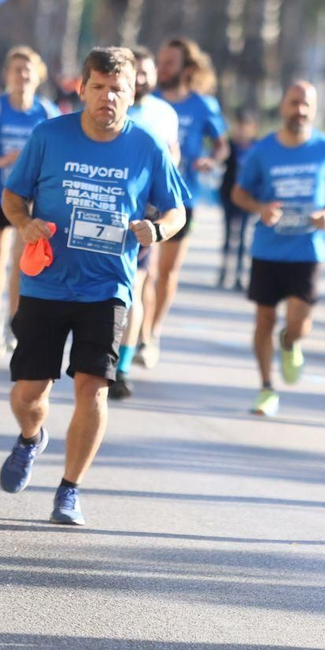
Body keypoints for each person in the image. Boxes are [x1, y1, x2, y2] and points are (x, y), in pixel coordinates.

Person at [0, 47, 186, 526]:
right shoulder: (49, 136)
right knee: (28, 395)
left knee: (93, 388)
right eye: (98, 87)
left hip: (107, 287)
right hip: (45, 282)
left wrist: (157, 229)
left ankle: (69, 489)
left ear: (132, 94)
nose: (107, 97)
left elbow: (176, 209)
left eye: (117, 89)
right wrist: (24, 223)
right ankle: (31, 437)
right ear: (82, 89)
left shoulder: (147, 146)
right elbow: (13, 195)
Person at [232, 82, 325, 417]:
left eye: (306, 104)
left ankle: (289, 341)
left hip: (307, 250)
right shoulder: (263, 150)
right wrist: (260, 208)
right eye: (294, 102)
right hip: (268, 250)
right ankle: (267, 388)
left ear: (315, 109)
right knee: (264, 319)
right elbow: (239, 193)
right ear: (282, 106)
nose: (300, 110)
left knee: (299, 323)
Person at [145, 38, 228, 367]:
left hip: (182, 198)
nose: (162, 68)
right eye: (160, 62)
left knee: (167, 271)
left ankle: (153, 331)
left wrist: (212, 159)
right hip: (146, 196)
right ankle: (138, 333)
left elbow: (222, 146)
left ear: (186, 68)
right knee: (146, 270)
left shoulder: (203, 105)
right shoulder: (147, 101)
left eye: (169, 63)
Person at [0, 47, 58, 358]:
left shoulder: (46, 112)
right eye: (17, 70)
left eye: (28, 70)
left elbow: (57, 154)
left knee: (22, 262)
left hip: (30, 199)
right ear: (7, 75)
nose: (22, 75)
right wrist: (4, 160)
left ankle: (13, 323)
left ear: (38, 76)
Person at [112, 47, 183, 401]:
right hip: (104, 210)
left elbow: (172, 160)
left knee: (135, 287)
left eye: (146, 73)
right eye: (135, 72)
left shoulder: (163, 114)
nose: (140, 78)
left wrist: (157, 207)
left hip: (144, 216)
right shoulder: (110, 105)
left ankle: (122, 368)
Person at [217, 112, 259, 290]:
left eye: (246, 126)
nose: (242, 130)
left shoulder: (257, 147)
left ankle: (240, 274)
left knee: (243, 236)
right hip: (228, 195)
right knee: (228, 235)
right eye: (240, 125)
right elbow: (220, 160)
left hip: (248, 197)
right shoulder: (230, 145)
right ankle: (224, 271)